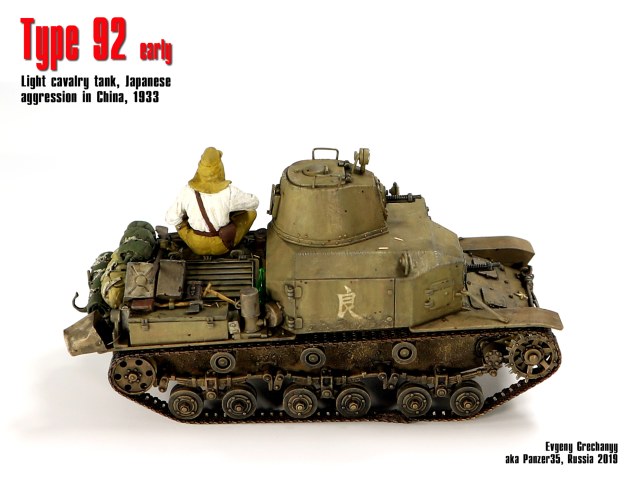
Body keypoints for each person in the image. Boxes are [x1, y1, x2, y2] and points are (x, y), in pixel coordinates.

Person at [166, 147, 259, 255]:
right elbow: (254, 202)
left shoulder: (186, 191)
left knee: (179, 221)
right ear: (220, 167)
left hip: (195, 244)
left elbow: (171, 218)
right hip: (222, 245)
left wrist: (186, 220)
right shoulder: (230, 192)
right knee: (251, 213)